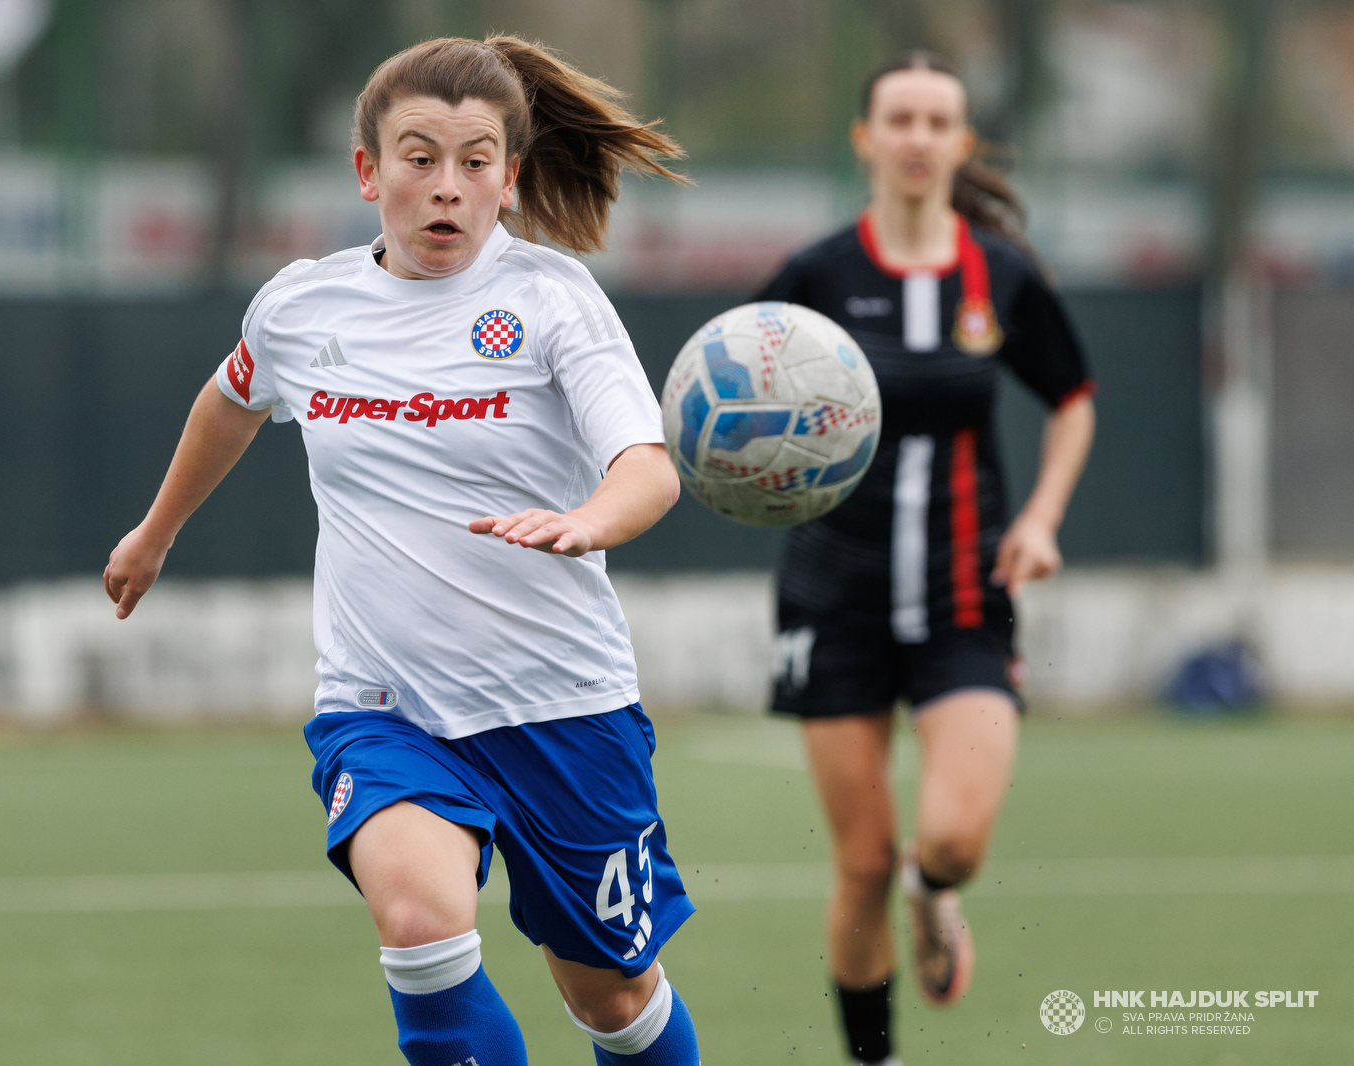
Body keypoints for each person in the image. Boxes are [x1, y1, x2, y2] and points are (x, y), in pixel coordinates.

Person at [103, 35, 703, 1066]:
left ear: (509, 180)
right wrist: (155, 533)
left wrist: (589, 520)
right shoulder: (302, 305)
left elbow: (646, 466)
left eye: (475, 162)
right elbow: (231, 401)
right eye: (417, 157)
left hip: (562, 703)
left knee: (612, 995)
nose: (445, 187)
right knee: (423, 928)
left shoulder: (552, 301)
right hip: (384, 709)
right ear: (366, 171)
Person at [754, 51, 1096, 1066]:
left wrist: (1039, 520)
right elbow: (730, 395)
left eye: (935, 120)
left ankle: (933, 893)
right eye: (896, 118)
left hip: (963, 600)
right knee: (858, 862)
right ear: (864, 138)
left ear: (961, 142)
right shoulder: (815, 275)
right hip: (832, 601)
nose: (915, 137)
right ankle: (875, 1056)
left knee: (948, 841)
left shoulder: (999, 274)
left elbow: (1073, 397)